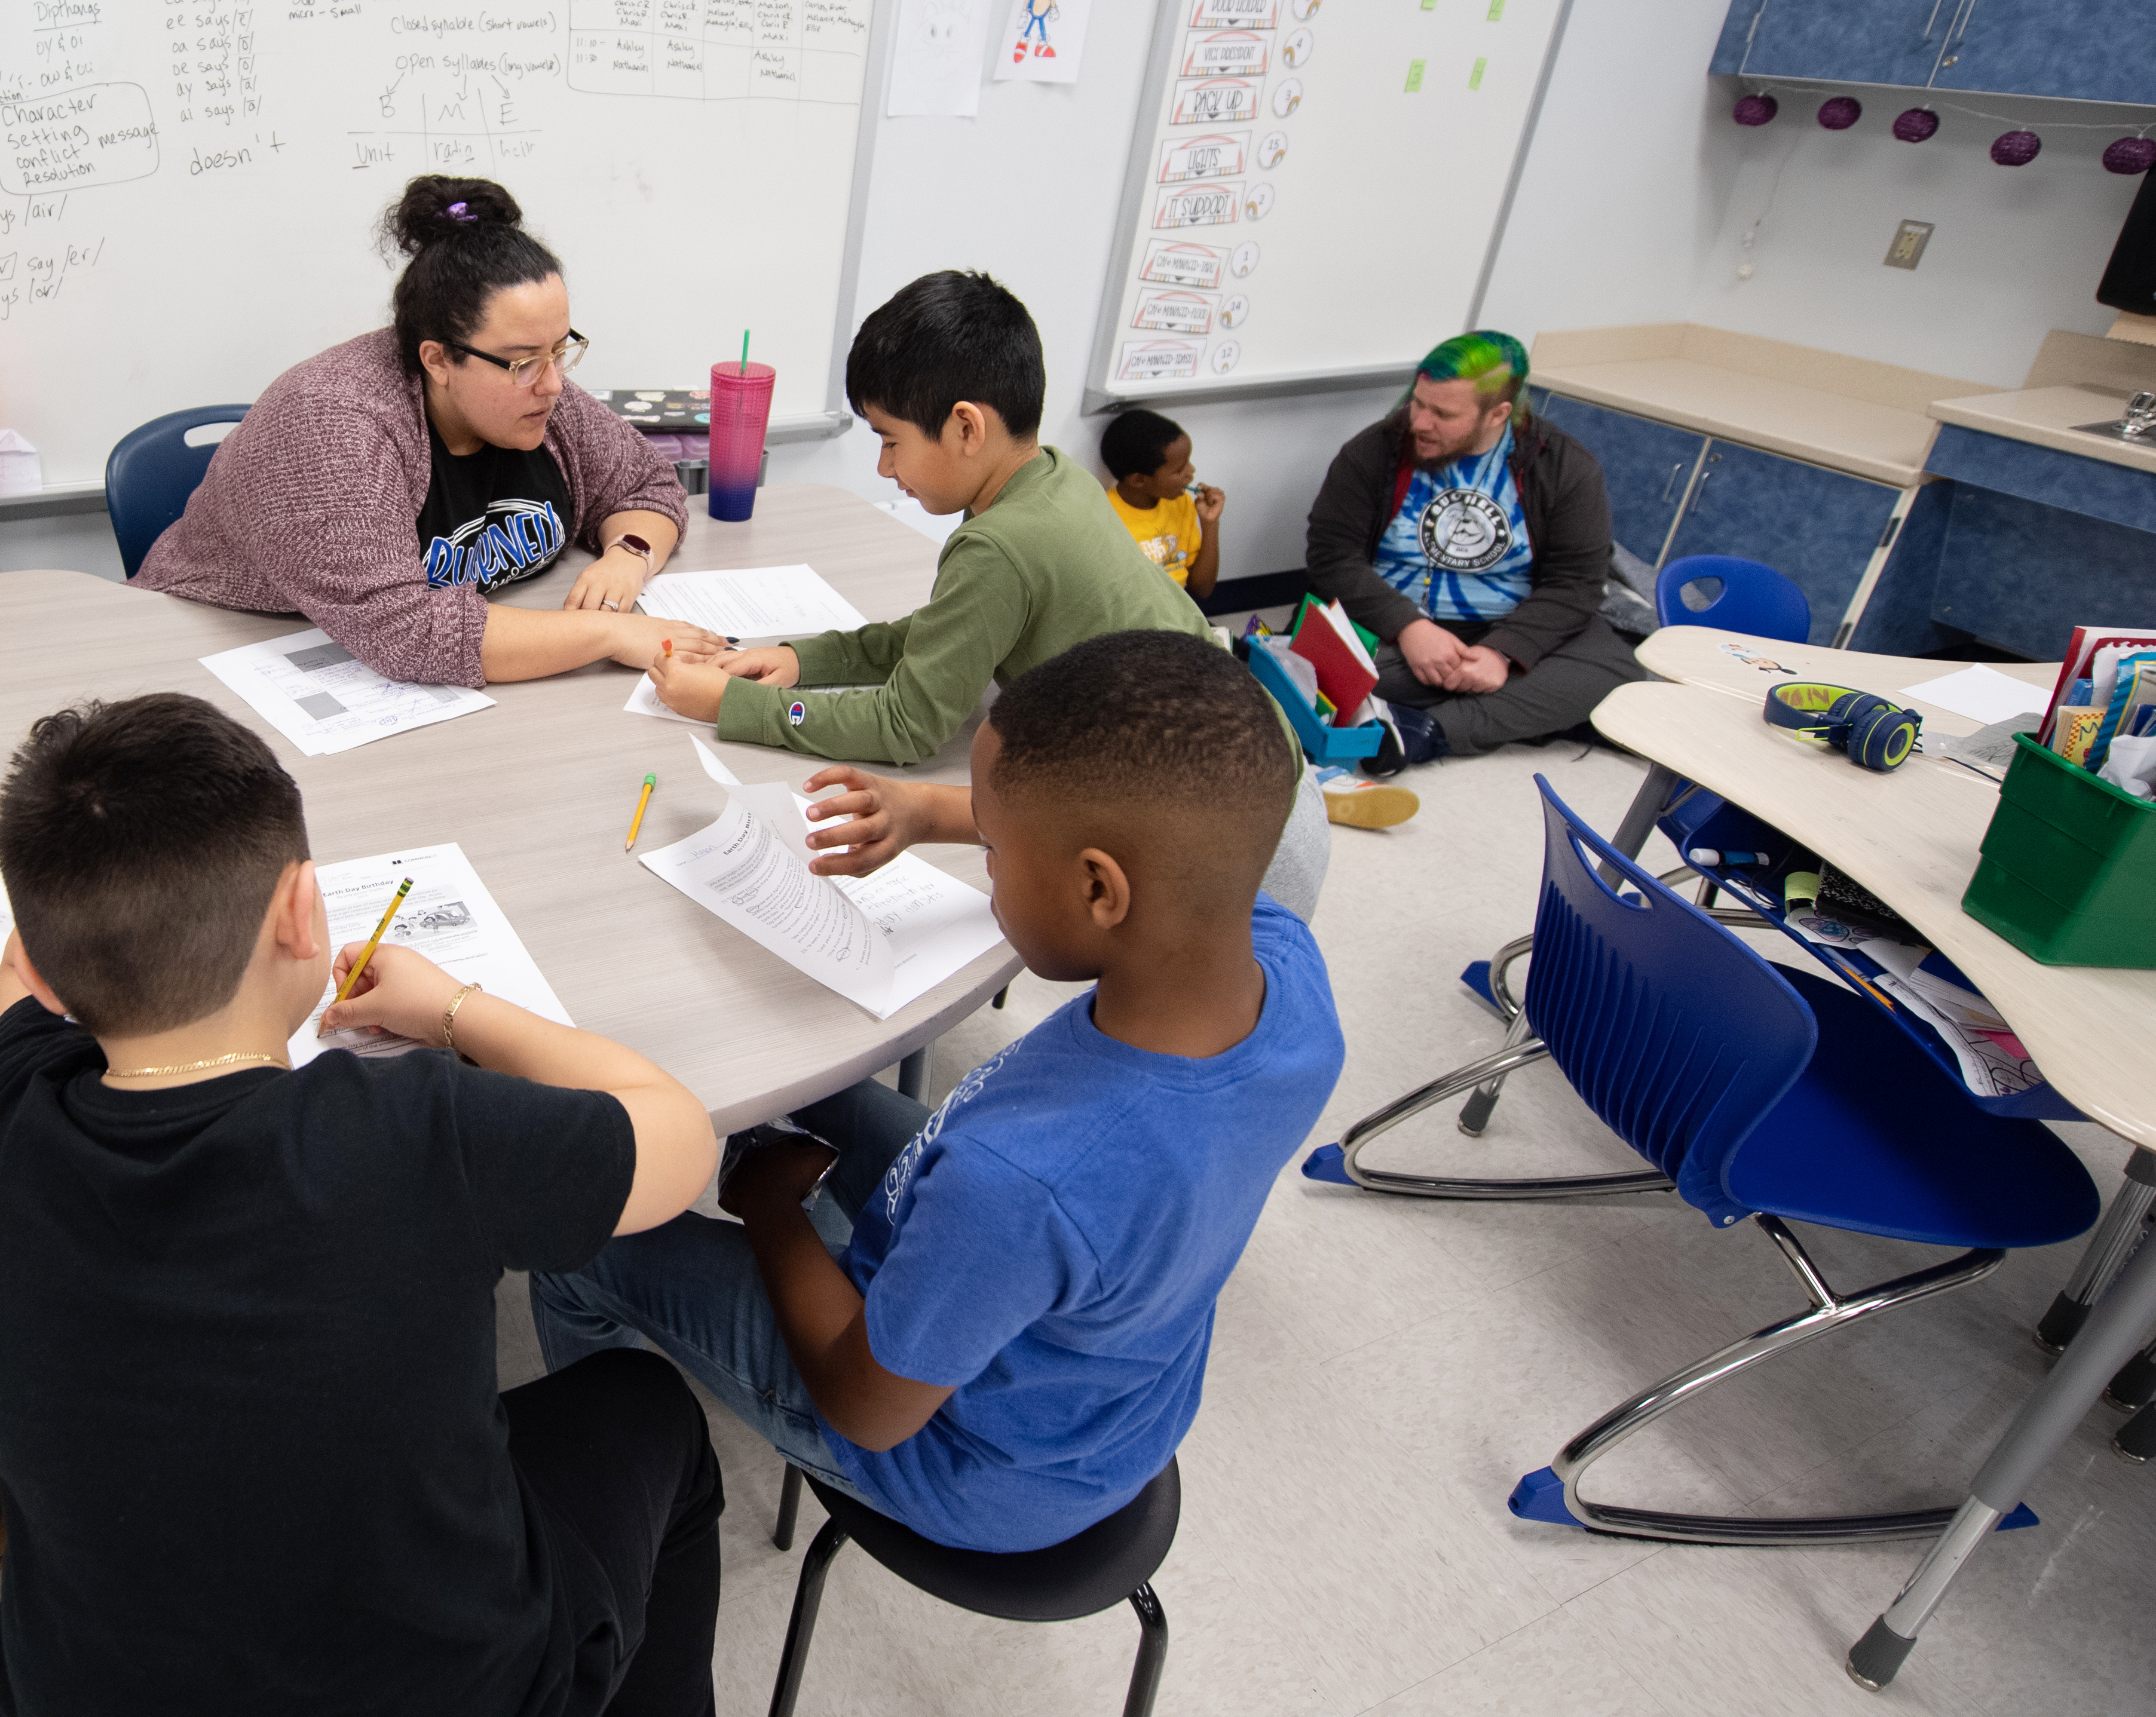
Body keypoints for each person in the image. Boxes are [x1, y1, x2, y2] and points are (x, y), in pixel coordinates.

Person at [0, 693, 725, 1716]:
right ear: (301, 910)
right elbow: (679, 1136)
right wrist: (454, 1007)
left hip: (77, 1691)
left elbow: (21, 976)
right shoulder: (414, 1130)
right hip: (457, 1687)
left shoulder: (7, 1109)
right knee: (650, 1407)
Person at [532, 631, 1344, 1553]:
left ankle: (597, 1486)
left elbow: (867, 1407)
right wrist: (926, 812)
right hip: (1098, 1390)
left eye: (994, 846)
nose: (986, 862)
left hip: (957, 1462)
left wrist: (770, 1210)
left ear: (1098, 887)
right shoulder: (1281, 964)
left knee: (577, 1242)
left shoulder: (1022, 1184)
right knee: (796, 1081)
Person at [131, 174, 723, 686]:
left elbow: (644, 484)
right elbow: (404, 631)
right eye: (524, 362)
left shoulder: (535, 391)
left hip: (404, 669)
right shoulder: (334, 423)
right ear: (439, 360)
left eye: (560, 350)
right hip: (225, 649)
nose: (553, 384)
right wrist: (609, 634)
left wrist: (629, 556)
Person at [643, 271, 1214, 765]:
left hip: (1200, 805)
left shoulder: (1000, 545)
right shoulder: (1058, 479)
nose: (885, 466)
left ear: (967, 428)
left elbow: (905, 726)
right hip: (1234, 743)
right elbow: (946, 631)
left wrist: (730, 704)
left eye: (891, 441)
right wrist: (801, 658)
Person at [1303, 330, 1647, 768]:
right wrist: (1409, 628)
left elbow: (1577, 583)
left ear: (1498, 414)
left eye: (1442, 414)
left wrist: (1504, 652)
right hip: (1391, 631)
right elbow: (1332, 557)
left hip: (1508, 623)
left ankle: (1423, 732)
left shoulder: (1566, 466)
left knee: (1617, 674)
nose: (1419, 422)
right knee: (1314, 667)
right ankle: (1515, 713)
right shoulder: (1374, 451)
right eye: (1418, 402)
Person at [1098, 407, 1220, 602]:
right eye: (1180, 469)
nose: (1191, 471)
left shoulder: (1181, 503)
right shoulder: (1103, 516)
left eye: (1188, 462)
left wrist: (1210, 523)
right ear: (1139, 480)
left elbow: (1202, 590)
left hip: (1176, 615)